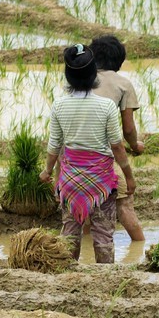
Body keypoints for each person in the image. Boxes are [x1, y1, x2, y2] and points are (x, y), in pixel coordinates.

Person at [39, 44, 136, 264]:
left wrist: (46, 171)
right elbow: (117, 146)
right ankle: (105, 277)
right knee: (103, 235)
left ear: (68, 76)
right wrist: (129, 176)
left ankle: (69, 273)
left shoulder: (60, 105)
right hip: (101, 182)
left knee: (70, 233)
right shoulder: (106, 107)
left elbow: (55, 145)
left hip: (71, 182)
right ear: (94, 75)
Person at [90, 34, 146, 243]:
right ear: (119, 61)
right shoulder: (123, 84)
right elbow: (128, 129)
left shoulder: (79, 80)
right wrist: (135, 146)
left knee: (85, 207)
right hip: (103, 154)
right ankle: (140, 249)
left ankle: (85, 258)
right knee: (124, 202)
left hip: (73, 155)